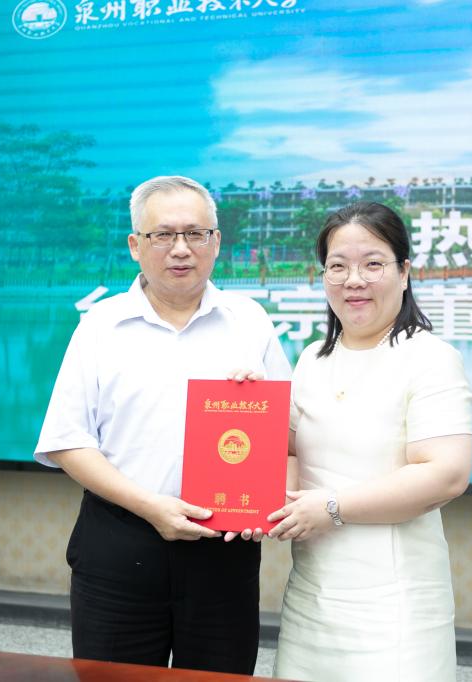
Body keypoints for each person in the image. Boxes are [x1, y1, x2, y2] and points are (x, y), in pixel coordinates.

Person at [34, 175, 291, 674]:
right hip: (120, 539)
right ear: (135, 245)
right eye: (163, 235)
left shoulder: (249, 320)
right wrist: (151, 507)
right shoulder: (99, 325)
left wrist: (258, 412)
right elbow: (67, 440)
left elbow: (285, 432)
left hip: (223, 547)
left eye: (196, 234)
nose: (181, 249)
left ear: (216, 242)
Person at [267, 201, 472, 681]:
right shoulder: (312, 359)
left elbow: (446, 473)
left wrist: (332, 507)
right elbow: (290, 451)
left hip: (395, 604)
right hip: (311, 596)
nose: (353, 280)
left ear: (404, 272)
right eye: (338, 266)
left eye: (373, 264)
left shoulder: (430, 358)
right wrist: (247, 404)